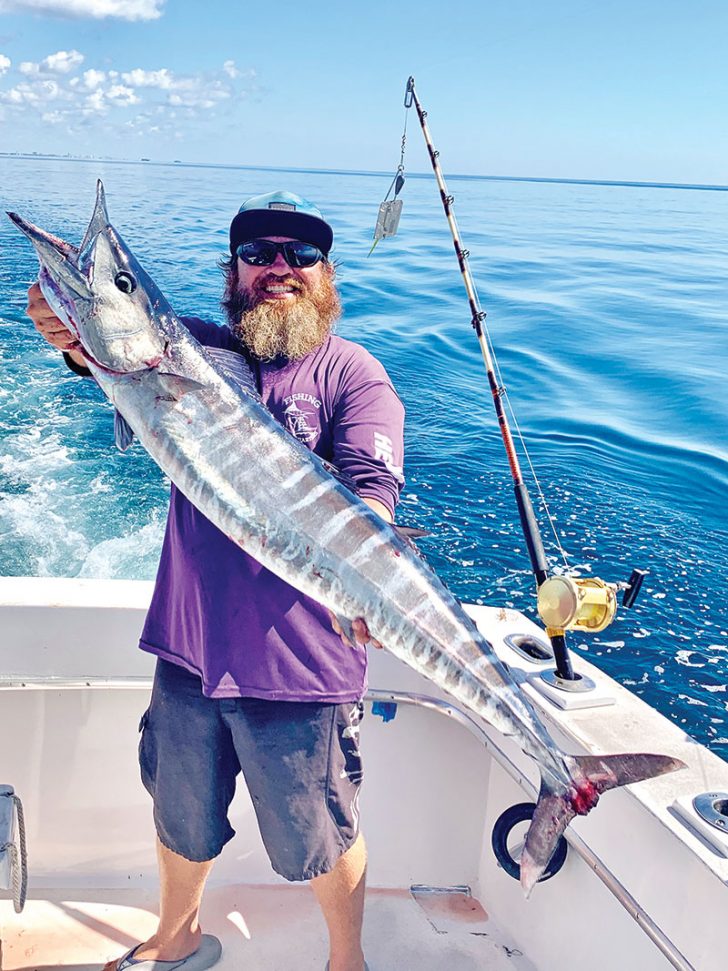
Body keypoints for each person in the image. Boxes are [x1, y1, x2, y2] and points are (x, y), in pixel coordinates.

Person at [26, 190, 405, 971]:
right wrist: (66, 326)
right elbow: (104, 350)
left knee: (319, 831)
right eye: (259, 253)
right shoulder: (190, 350)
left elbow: (373, 491)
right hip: (190, 643)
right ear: (233, 270)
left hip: (301, 665)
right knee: (181, 813)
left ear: (325, 273)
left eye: (300, 256)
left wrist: (361, 565)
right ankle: (178, 935)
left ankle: (347, 961)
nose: (279, 268)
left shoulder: (352, 375)